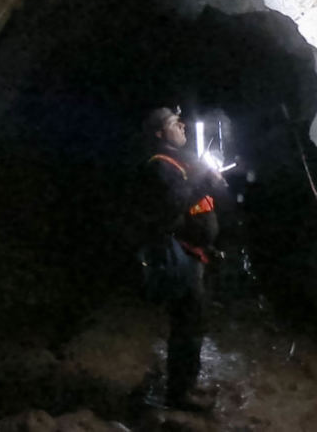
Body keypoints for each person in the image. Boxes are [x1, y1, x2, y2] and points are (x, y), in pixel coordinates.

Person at [136, 106, 225, 412]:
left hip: (193, 254)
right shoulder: (159, 166)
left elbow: (192, 200)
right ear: (160, 133)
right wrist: (205, 183)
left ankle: (188, 385)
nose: (183, 126)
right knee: (186, 325)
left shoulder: (177, 162)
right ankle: (178, 394)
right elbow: (171, 207)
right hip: (179, 256)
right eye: (175, 124)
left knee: (194, 323)